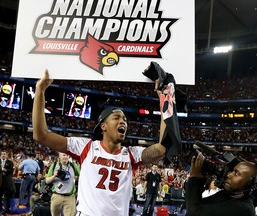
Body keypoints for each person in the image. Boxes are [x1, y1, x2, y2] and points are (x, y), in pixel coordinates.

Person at [32, 70, 180, 216]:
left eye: (125, 120)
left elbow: (161, 149)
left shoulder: (130, 154)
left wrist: (165, 99)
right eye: (116, 118)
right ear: (103, 126)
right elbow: (41, 135)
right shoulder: (86, 147)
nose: (123, 121)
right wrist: (40, 91)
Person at [186, 151, 257, 216]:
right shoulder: (229, 194)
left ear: (249, 183)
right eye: (232, 171)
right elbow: (197, 204)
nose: (229, 175)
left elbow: (193, 213)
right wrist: (201, 180)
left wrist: (194, 178)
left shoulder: (244, 209)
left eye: (236, 173)